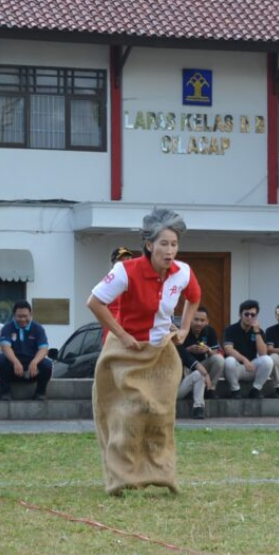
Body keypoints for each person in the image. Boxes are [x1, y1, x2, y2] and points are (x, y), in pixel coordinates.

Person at [87, 207, 200, 494]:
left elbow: (194, 298)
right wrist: (121, 335)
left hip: (161, 350)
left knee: (161, 413)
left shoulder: (183, 272)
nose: (170, 250)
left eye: (174, 244)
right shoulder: (125, 271)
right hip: (127, 351)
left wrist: (184, 329)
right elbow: (95, 302)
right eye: (164, 243)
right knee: (130, 412)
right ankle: (122, 477)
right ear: (149, 245)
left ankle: (161, 473)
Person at [0, 300, 52, 400]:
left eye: (25, 316)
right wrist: (16, 362)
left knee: (47, 364)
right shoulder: (7, 328)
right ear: (14, 315)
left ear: (31, 315)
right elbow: (5, 347)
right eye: (19, 316)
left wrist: (35, 362)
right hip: (14, 367)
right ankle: (5, 393)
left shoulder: (38, 329)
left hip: (32, 368)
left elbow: (43, 348)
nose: (22, 319)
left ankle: (40, 393)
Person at [222, 300, 274, 398]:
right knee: (229, 361)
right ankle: (235, 390)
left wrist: (257, 332)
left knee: (268, 360)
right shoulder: (230, 330)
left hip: (251, 367)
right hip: (235, 368)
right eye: (246, 314)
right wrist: (244, 359)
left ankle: (256, 389)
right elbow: (228, 349)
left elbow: (263, 353)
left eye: (253, 315)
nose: (249, 317)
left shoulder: (259, 331)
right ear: (240, 315)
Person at [179, 306, 224, 397]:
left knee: (219, 360)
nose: (199, 323)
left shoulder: (210, 331)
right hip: (186, 367)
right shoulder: (182, 330)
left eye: (202, 320)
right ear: (190, 319)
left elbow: (215, 352)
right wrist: (188, 349)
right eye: (196, 319)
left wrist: (208, 350)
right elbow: (176, 353)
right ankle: (188, 390)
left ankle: (210, 389)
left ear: (207, 321)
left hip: (203, 364)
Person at [176, 340, 211, 419]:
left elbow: (194, 363)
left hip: (175, 390)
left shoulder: (179, 349)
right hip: (157, 391)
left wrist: (206, 374)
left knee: (199, 374)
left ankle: (198, 408)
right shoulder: (154, 347)